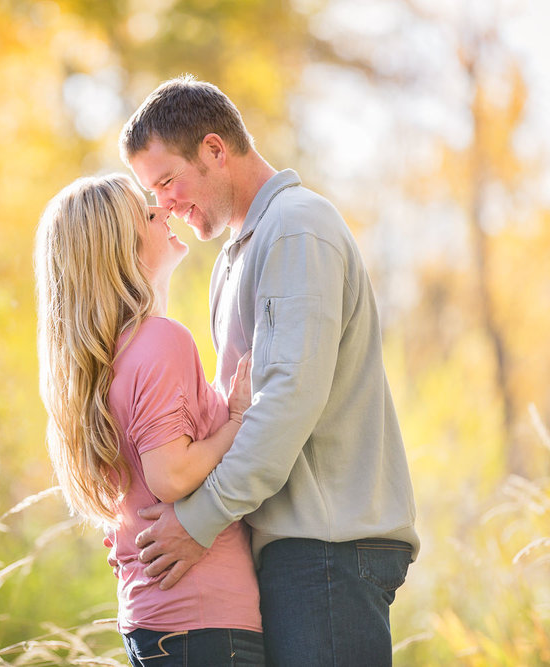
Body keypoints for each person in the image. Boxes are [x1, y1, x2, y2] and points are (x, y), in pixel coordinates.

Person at [119, 75, 420, 666]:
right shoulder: (234, 258)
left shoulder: (296, 226)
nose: (166, 206)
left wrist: (198, 520)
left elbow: (287, 400)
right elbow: (231, 412)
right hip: (293, 554)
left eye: (167, 181)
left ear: (213, 149)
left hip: (329, 552)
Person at [34, 173, 266, 666]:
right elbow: (171, 475)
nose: (163, 211)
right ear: (121, 249)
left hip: (158, 619)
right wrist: (237, 422)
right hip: (203, 623)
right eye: (145, 213)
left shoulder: (106, 360)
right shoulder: (160, 340)